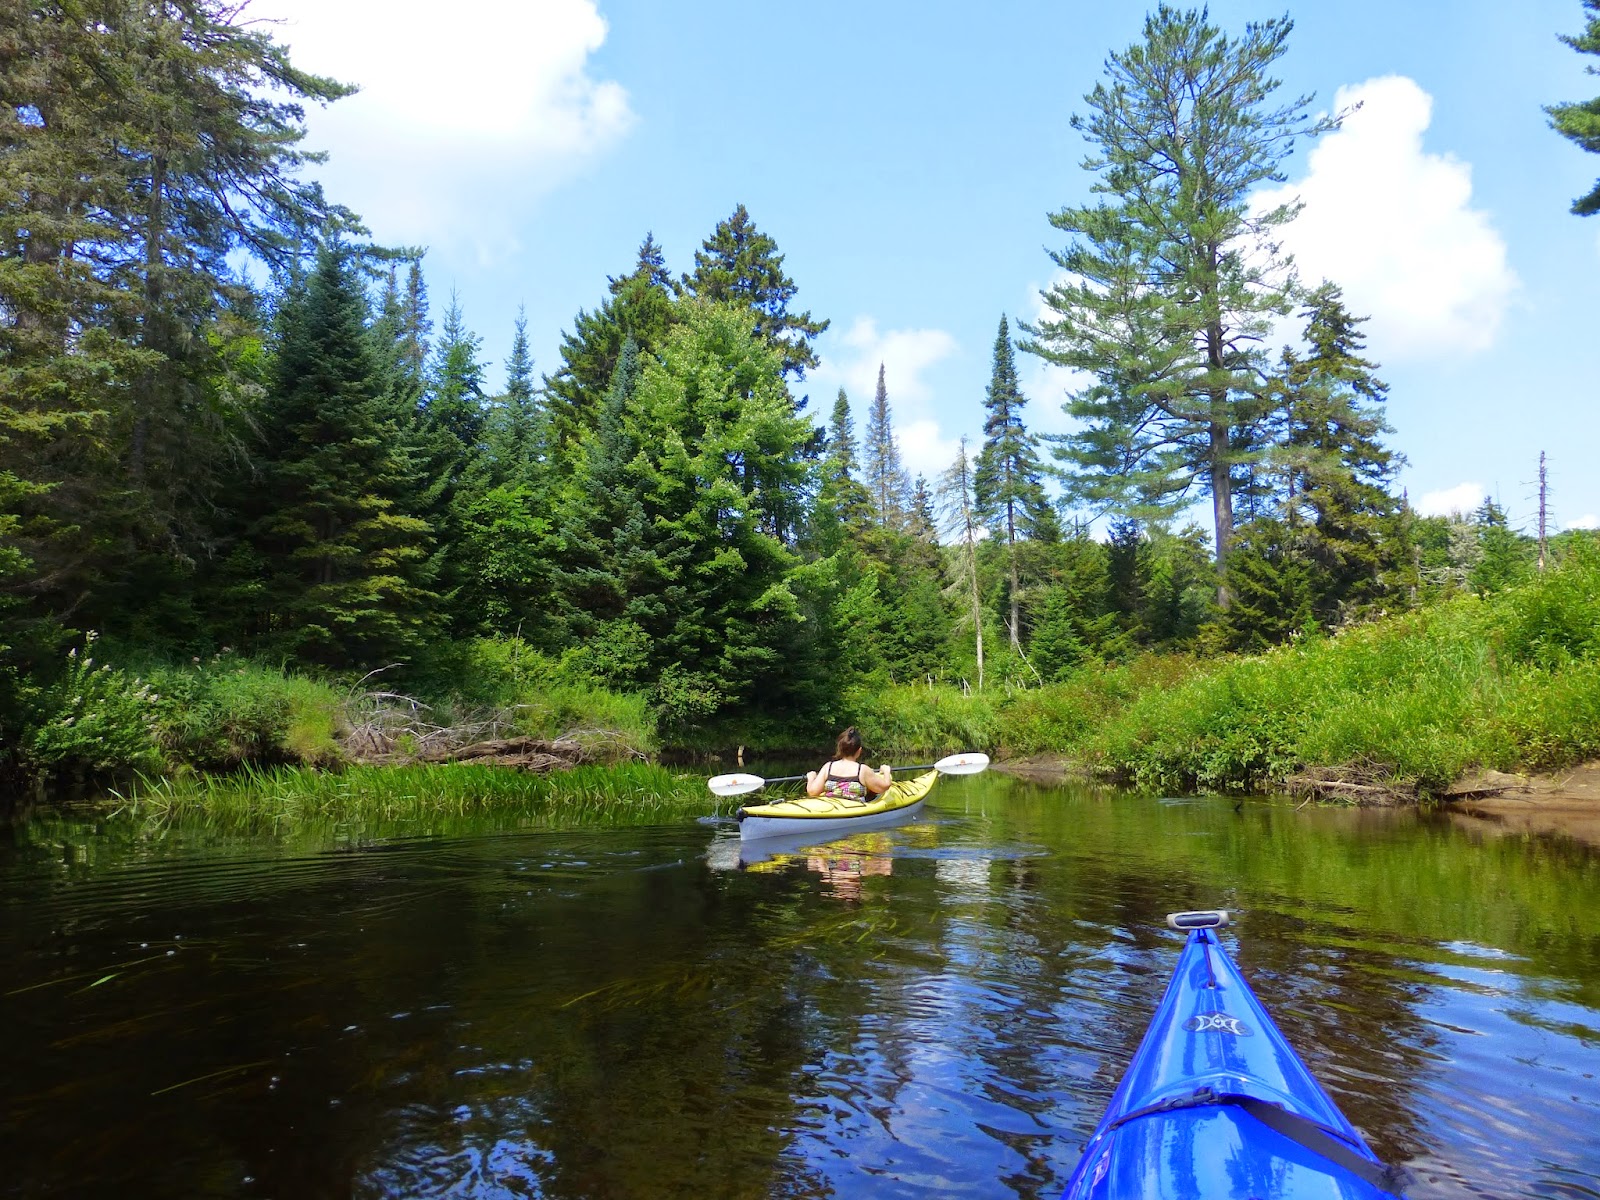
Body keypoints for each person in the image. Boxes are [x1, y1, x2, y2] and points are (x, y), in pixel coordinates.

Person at [805, 727, 892, 800]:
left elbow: (812, 792)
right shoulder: (862, 770)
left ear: (840, 749)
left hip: (832, 809)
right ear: (859, 751)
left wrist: (811, 778)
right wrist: (886, 771)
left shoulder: (828, 767)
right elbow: (884, 787)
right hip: (853, 811)